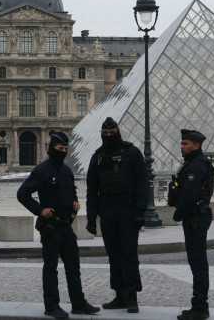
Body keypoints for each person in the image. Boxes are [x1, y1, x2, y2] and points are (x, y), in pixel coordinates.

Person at [17, 131, 100, 319]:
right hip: (51, 227)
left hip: (66, 225)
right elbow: (22, 193)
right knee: (51, 268)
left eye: (65, 149)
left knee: (73, 267)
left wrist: (75, 202)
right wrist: (39, 210)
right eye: (60, 148)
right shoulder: (42, 170)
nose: (63, 151)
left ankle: (78, 303)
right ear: (51, 149)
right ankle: (51, 306)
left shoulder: (67, 170)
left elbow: (70, 191)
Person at [85, 117, 149, 313]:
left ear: (118, 132)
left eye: (112, 133)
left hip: (128, 210)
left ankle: (132, 295)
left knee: (128, 253)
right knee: (113, 254)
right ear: (102, 134)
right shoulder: (97, 157)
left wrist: (140, 211)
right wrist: (91, 217)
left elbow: (142, 183)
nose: (109, 136)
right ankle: (119, 294)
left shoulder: (132, 153)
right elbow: (92, 189)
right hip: (108, 210)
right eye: (106, 134)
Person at [170, 129, 214, 320]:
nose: (182, 147)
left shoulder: (196, 166)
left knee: (198, 263)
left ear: (196, 146)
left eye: (185, 144)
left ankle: (200, 306)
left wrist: (177, 215)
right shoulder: (193, 164)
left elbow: (189, 195)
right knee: (196, 262)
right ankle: (199, 304)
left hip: (195, 217)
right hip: (195, 216)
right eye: (181, 144)